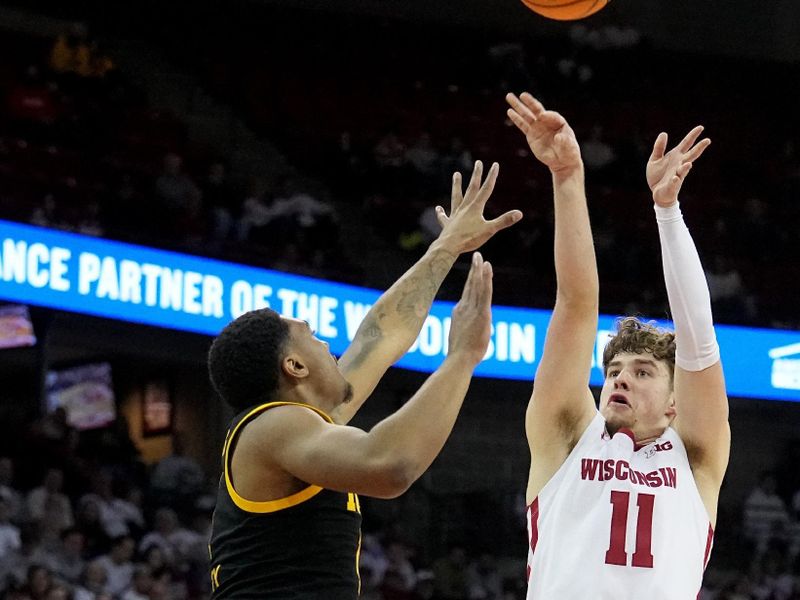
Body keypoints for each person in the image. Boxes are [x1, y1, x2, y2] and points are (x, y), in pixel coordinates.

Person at [207, 160, 521, 599]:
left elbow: (378, 337)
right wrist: (461, 359)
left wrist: (446, 248)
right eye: (312, 337)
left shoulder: (305, 425)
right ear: (294, 367)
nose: (330, 347)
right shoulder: (274, 426)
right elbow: (390, 465)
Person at [505, 92, 729, 597]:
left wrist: (667, 212)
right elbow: (576, 304)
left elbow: (698, 338)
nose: (621, 377)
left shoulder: (694, 458)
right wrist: (566, 175)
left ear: (676, 403)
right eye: (614, 370)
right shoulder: (565, 437)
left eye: (644, 371)